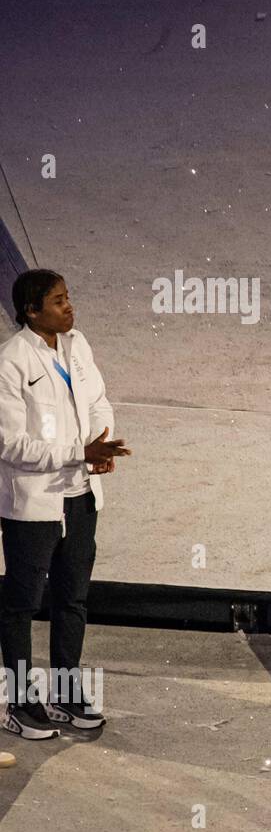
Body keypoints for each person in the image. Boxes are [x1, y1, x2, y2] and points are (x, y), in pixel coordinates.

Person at [0, 270, 130, 740]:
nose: (68, 307)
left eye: (68, 298)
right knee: (20, 605)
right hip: (33, 507)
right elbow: (10, 444)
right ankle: (18, 701)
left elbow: (98, 400)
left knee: (71, 599)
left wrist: (100, 443)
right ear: (32, 311)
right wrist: (79, 453)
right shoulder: (11, 362)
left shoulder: (78, 345)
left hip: (80, 498)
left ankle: (65, 693)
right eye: (57, 301)